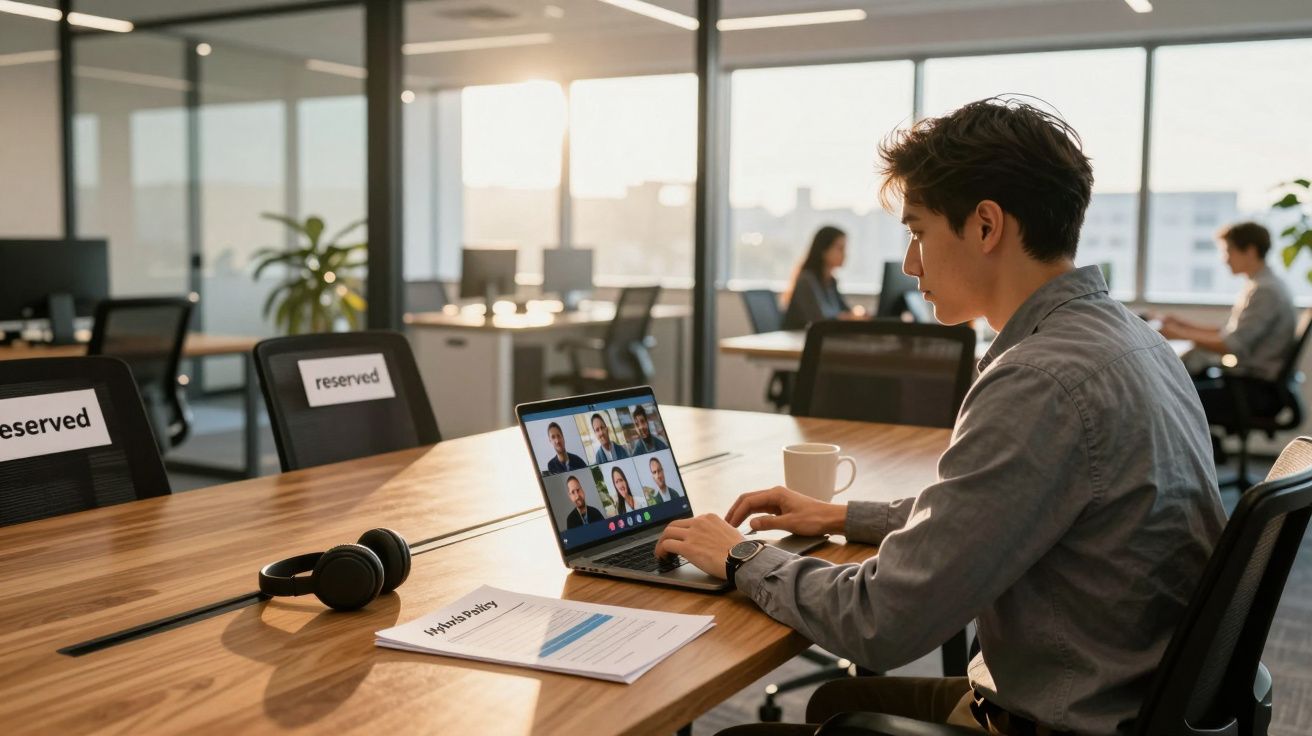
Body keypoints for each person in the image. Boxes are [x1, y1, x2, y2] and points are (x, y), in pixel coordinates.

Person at [654, 98, 1224, 735]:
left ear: (986, 226)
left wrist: (739, 557)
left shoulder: (1040, 382)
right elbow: (999, 508)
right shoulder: (1130, 340)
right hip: (1129, 698)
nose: (909, 263)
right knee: (833, 708)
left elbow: (880, 622)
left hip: (1060, 717)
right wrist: (843, 515)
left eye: (919, 231)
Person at [1159, 222, 1297, 425]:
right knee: (1180, 385)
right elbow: (1230, 332)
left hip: (1252, 391)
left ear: (1249, 251)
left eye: (1228, 251)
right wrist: (1183, 325)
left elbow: (1232, 344)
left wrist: (1181, 334)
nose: (1224, 259)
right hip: (1248, 385)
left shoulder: (1265, 291)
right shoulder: (1262, 284)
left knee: (1167, 398)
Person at [781, 226, 866, 330]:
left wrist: (857, 314)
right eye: (840, 249)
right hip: (800, 339)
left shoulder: (831, 281)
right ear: (824, 250)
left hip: (825, 338)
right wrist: (845, 317)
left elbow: (845, 311)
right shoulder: (806, 280)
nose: (844, 254)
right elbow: (818, 321)